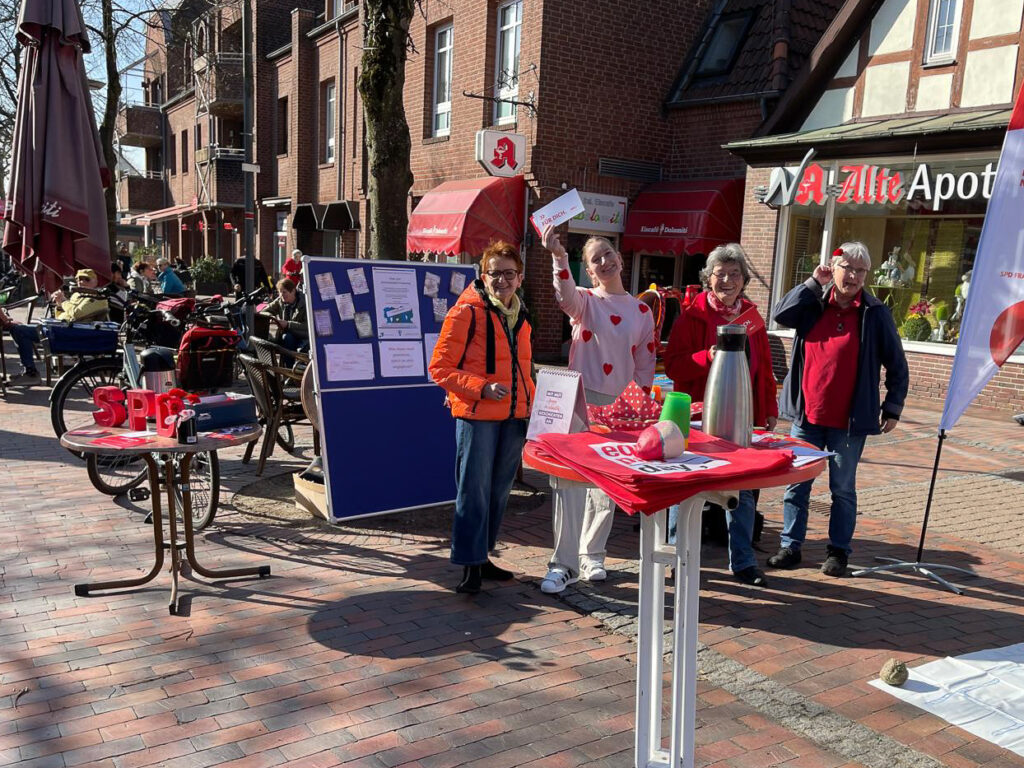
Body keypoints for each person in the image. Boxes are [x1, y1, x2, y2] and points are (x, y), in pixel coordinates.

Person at [771, 241, 909, 577]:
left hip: (849, 421)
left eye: (861, 271)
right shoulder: (813, 304)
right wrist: (811, 284)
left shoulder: (875, 313)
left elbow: (897, 364)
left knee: (842, 489)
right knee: (797, 484)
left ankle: (838, 551)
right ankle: (791, 546)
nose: (854, 276)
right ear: (832, 269)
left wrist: (892, 407)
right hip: (807, 416)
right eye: (848, 268)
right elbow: (779, 314)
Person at [539, 224, 656, 594]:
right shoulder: (586, 301)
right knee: (570, 482)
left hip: (621, 406)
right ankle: (563, 563)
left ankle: (594, 554)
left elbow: (644, 364)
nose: (604, 261)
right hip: (579, 401)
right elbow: (564, 296)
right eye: (595, 259)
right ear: (588, 271)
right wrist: (559, 257)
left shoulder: (641, 311)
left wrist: (639, 406)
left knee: (607, 485)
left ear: (620, 259)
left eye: (608, 253)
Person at [663, 243, 778, 587]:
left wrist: (769, 408)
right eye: (720, 274)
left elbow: (765, 370)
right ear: (708, 278)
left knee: (741, 491)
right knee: (684, 490)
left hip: (742, 417)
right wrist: (706, 357)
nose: (726, 280)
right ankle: (673, 557)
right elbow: (672, 365)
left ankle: (742, 561)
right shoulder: (692, 316)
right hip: (697, 418)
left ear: (743, 280)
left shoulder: (752, 320)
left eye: (734, 274)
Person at [429, 241, 534, 594]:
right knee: (472, 490)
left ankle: (483, 556)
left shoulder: (522, 316)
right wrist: (481, 387)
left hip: (514, 416)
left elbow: (524, 369)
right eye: (494, 273)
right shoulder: (465, 313)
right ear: (483, 275)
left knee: (499, 490)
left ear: (519, 278)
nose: (501, 280)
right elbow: (439, 368)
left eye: (508, 274)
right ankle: (470, 563)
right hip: (477, 415)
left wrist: (532, 403)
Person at [6, 269, 109, 385]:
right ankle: (29, 371)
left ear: (95, 282)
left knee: (20, 330)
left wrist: (63, 301)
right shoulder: (77, 295)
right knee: (18, 327)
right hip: (61, 329)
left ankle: (31, 373)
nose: (82, 282)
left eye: (86, 279)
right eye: (79, 279)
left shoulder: (98, 298)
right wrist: (59, 305)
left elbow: (76, 314)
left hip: (71, 335)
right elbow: (63, 315)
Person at [258, 277, 309, 354]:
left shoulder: (305, 303)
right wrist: (271, 316)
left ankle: (288, 365)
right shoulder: (280, 300)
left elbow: (307, 326)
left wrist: (288, 324)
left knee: (287, 338)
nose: (282, 295)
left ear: (293, 291)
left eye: (284, 292)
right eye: (280, 292)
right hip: (289, 334)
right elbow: (264, 311)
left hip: (304, 336)